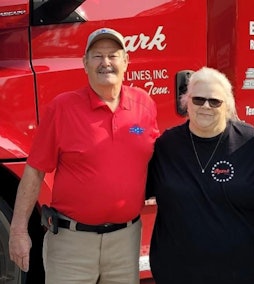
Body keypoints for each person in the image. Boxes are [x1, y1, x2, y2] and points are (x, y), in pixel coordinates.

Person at [9, 27, 159, 283]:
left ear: (126, 61)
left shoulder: (145, 105)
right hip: (71, 244)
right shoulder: (62, 108)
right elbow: (34, 170)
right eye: (97, 56)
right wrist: (18, 230)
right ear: (85, 64)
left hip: (126, 242)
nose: (106, 63)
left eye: (113, 55)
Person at [146, 66, 254, 284]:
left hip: (246, 275)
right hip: (177, 274)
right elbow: (132, 190)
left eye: (215, 101)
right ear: (186, 102)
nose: (206, 106)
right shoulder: (166, 147)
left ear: (227, 105)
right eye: (198, 100)